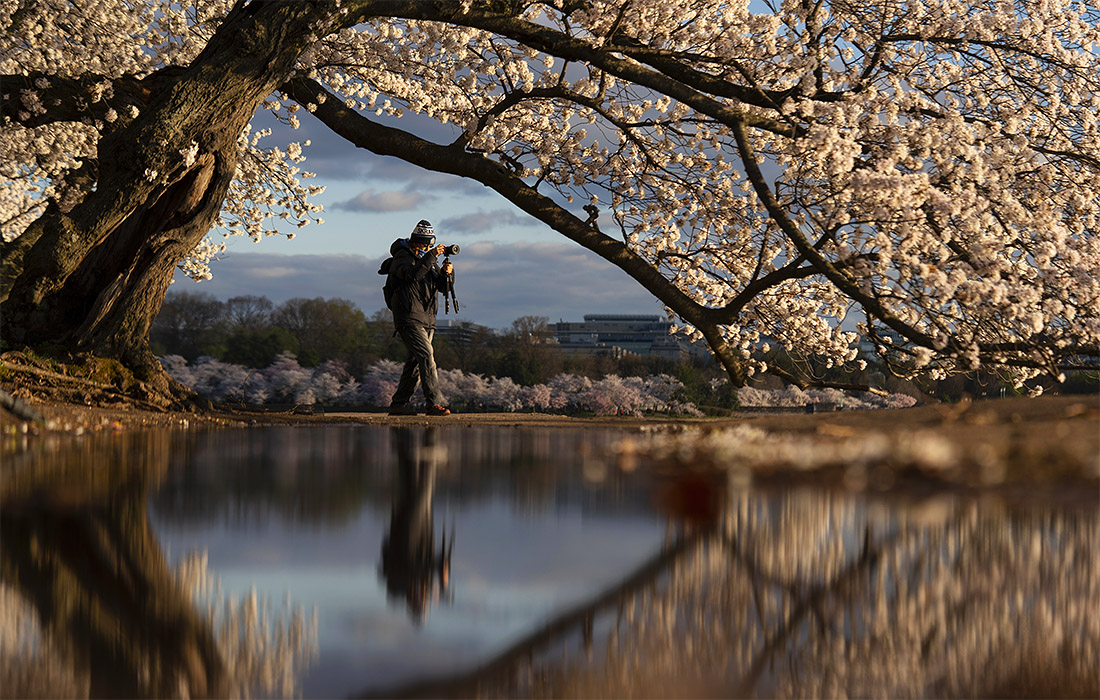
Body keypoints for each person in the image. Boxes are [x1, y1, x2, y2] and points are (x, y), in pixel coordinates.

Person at [385, 220, 453, 416]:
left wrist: (447, 274)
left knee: (416, 361)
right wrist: (432, 256)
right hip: (408, 316)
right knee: (426, 356)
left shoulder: (427, 260)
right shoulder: (402, 257)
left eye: (431, 245)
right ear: (416, 242)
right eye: (426, 245)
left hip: (428, 317)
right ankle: (433, 403)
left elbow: (442, 288)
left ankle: (398, 404)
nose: (429, 248)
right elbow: (412, 275)